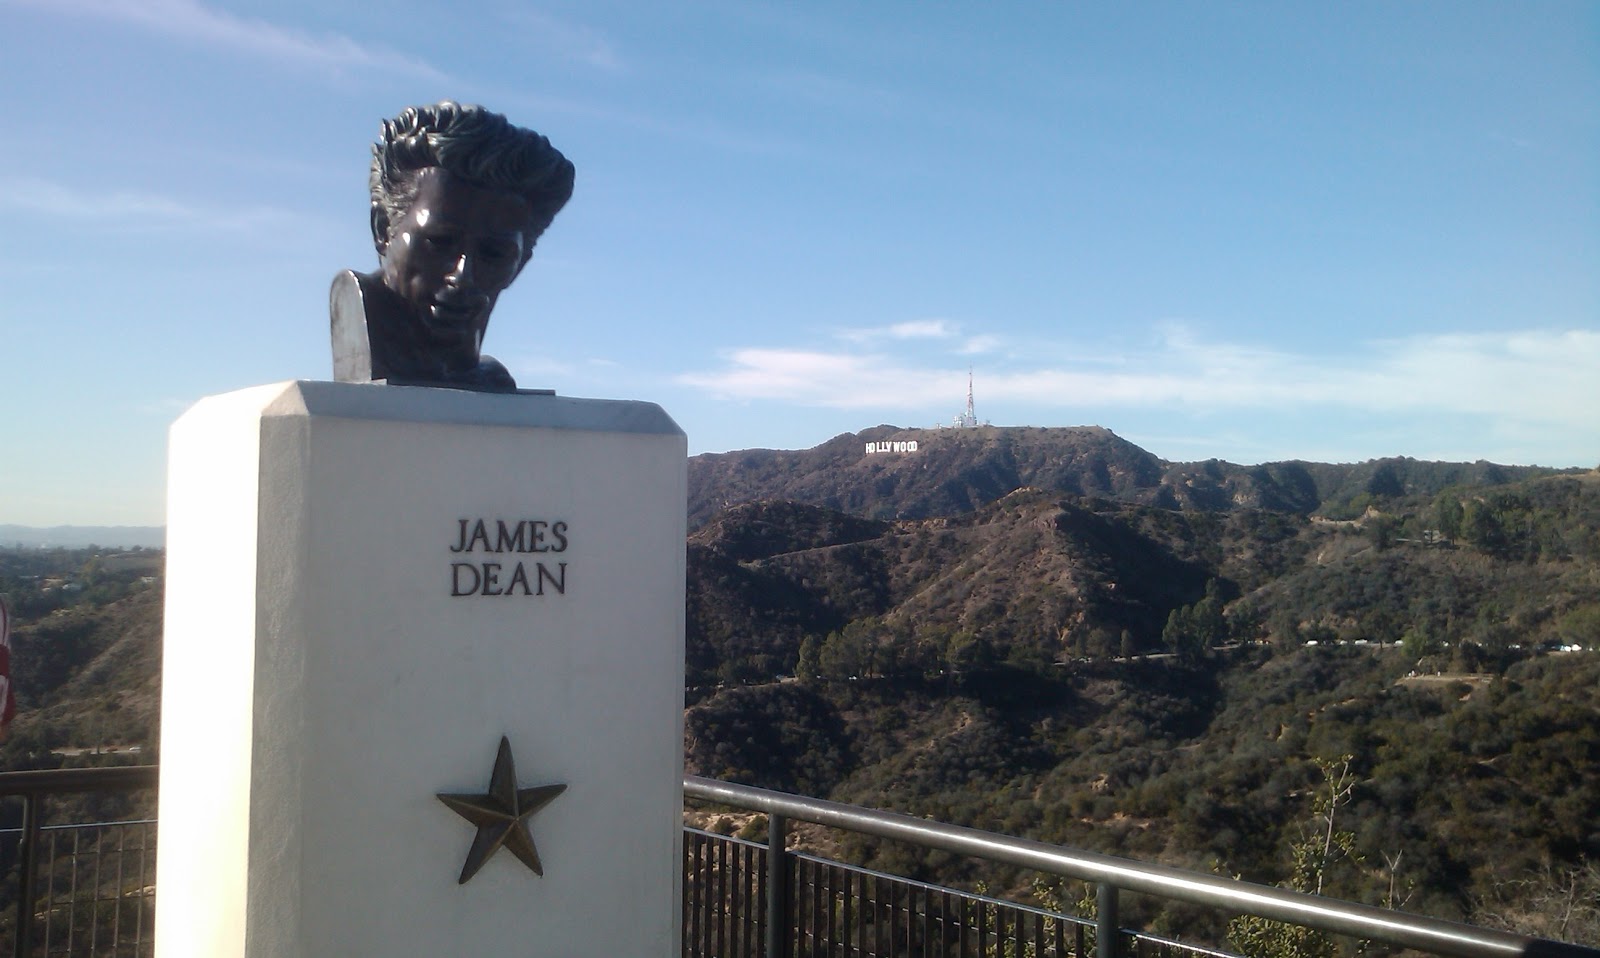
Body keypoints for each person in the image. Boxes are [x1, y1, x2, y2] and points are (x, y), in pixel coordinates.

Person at [331, 102, 574, 391]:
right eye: (439, 242)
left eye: (494, 254)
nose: (462, 275)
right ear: (383, 228)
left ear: (520, 265)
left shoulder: (492, 379)